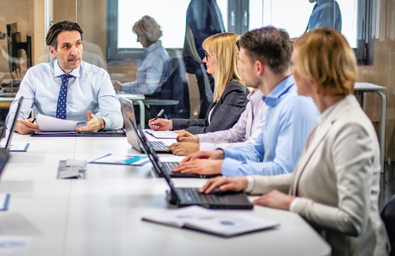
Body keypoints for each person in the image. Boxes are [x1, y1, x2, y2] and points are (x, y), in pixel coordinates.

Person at [199, 28, 389, 256]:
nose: (291, 74)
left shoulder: (351, 129)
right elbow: (298, 177)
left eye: (296, 66)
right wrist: (245, 182)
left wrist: (290, 203)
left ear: (315, 72)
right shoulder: (329, 118)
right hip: (320, 237)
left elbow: (352, 220)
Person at [172, 27, 319, 177]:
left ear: (258, 67)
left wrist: (222, 166)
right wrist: (218, 154)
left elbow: (284, 171)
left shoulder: (294, 103)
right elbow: (257, 150)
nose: (238, 67)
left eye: (241, 61)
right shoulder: (271, 99)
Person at [6, 20, 123, 134]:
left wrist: (101, 122)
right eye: (66, 46)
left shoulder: (99, 76)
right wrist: (17, 124)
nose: (75, 52)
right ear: (52, 51)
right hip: (45, 138)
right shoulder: (35, 75)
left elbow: (117, 118)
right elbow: (13, 117)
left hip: (85, 137)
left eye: (78, 44)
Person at [167, 40, 267, 156]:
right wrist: (196, 139)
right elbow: (234, 134)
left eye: (241, 61)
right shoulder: (252, 99)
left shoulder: (238, 91)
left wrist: (200, 147)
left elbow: (253, 147)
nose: (238, 65)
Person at [150, 32, 249, 135]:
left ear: (222, 59)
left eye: (208, 56)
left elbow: (214, 131)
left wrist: (184, 132)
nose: (204, 60)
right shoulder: (226, 88)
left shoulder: (236, 92)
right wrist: (171, 124)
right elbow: (207, 123)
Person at [113, 16, 170, 95]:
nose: (137, 40)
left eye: (139, 35)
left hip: (151, 104)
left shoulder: (156, 57)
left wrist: (122, 87)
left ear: (147, 35)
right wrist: (122, 87)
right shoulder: (155, 53)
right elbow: (142, 84)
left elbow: (148, 89)